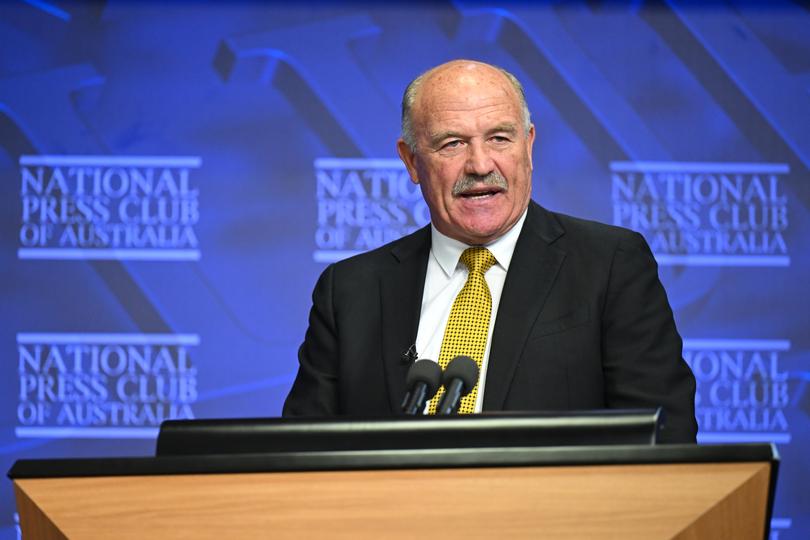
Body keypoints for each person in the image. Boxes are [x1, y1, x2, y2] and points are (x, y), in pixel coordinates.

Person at [283, 59, 697, 443]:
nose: (480, 165)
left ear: (528, 146)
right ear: (411, 161)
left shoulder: (609, 266)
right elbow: (299, 455)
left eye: (499, 138)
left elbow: (661, 438)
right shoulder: (350, 291)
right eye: (452, 144)